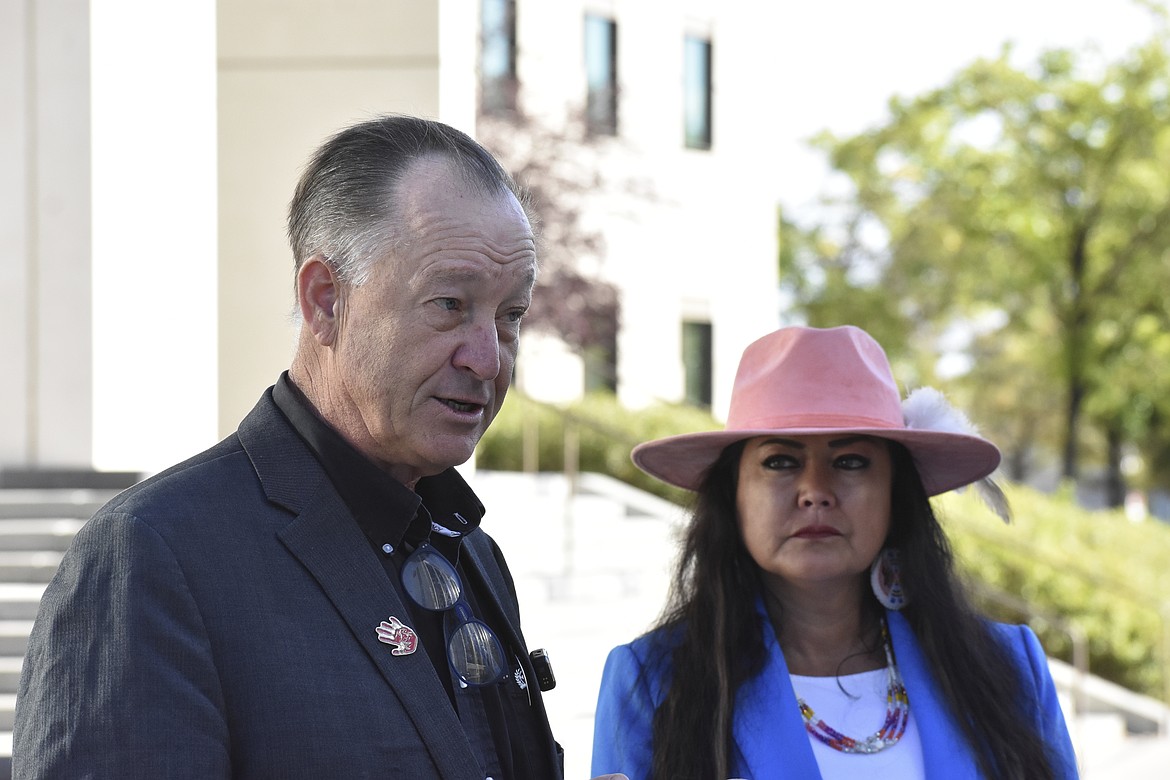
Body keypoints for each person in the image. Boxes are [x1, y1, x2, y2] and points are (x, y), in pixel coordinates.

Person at [15, 115, 623, 780]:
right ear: (325, 301)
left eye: (510, 318)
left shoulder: (471, 553)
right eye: (450, 304)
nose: (488, 358)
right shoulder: (153, 558)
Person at [591, 325, 1078, 780]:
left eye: (851, 461)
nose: (815, 491)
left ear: (895, 493)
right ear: (732, 494)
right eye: (780, 461)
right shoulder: (653, 682)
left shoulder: (1010, 667)